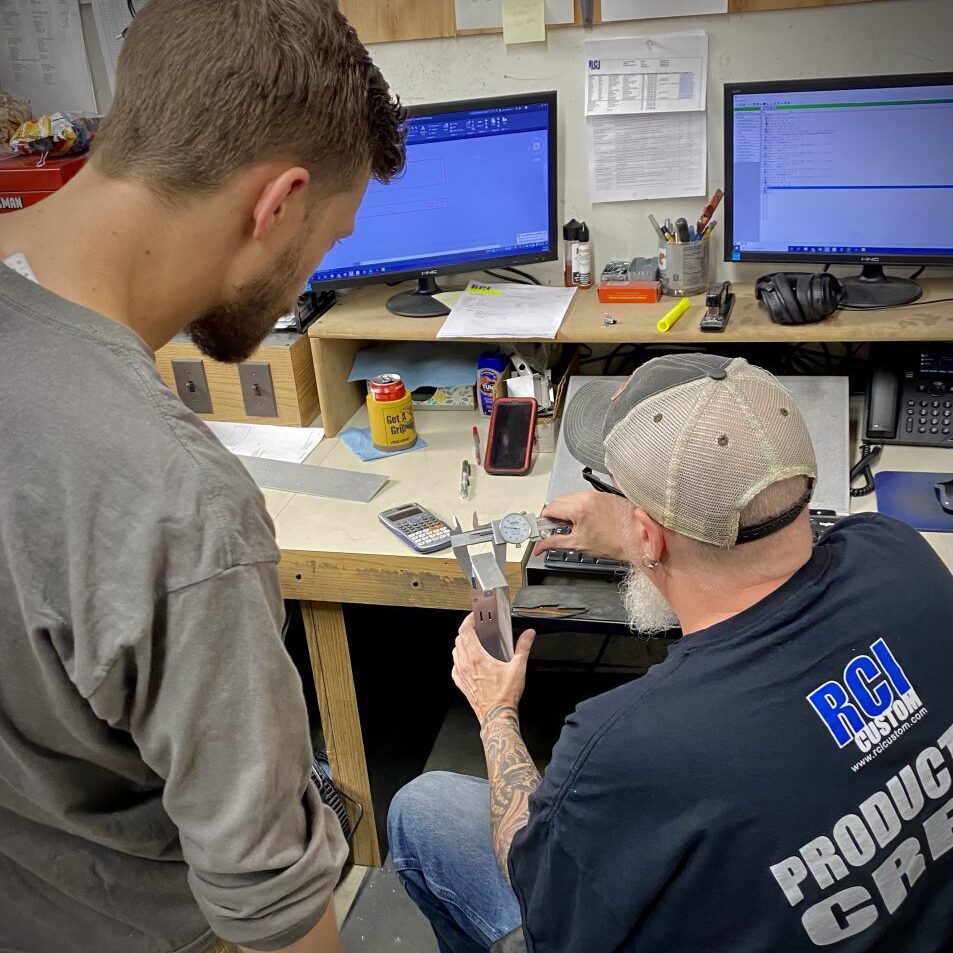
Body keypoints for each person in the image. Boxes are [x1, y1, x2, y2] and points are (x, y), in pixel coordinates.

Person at [0, 2, 404, 951]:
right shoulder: (180, 505)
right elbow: (271, 914)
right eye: (328, 240)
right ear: (279, 202)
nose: (310, 273)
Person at [388, 353, 953, 953]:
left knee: (423, 809)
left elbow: (537, 892)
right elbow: (772, 543)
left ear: (650, 534)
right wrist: (638, 533)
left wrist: (496, 712)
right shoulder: (900, 553)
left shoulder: (627, 747)